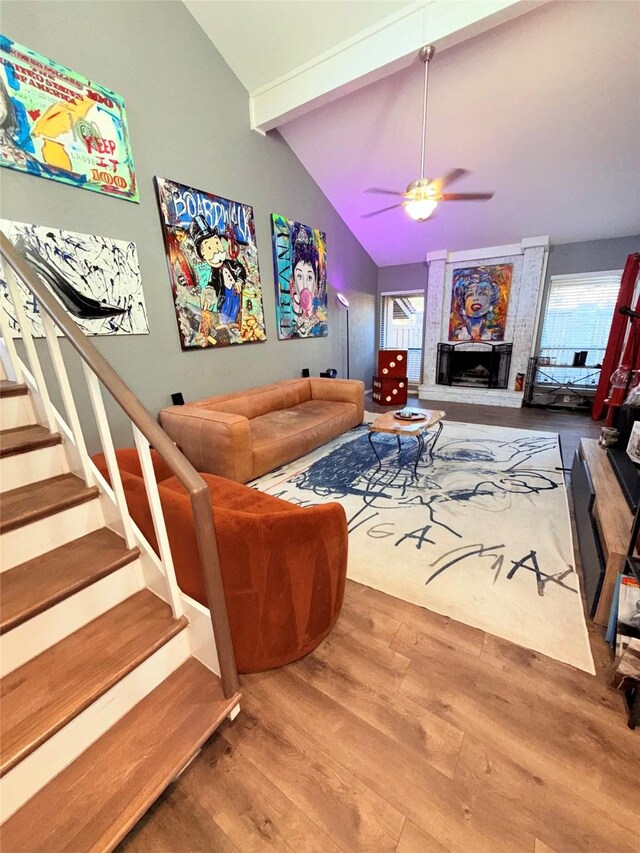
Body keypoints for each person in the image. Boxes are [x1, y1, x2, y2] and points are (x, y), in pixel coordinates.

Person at [189, 215, 246, 327]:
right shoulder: (215, 271)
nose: (216, 250)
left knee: (236, 312)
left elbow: (240, 269)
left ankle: (234, 325)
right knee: (225, 317)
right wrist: (210, 292)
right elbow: (213, 282)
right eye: (209, 248)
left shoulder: (230, 263)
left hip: (236, 294)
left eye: (216, 243)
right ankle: (228, 327)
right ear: (203, 255)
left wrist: (239, 280)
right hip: (225, 297)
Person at [451, 268, 502, 341]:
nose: (476, 299)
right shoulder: (456, 334)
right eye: (470, 294)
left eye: (483, 294)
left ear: (491, 301)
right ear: (463, 303)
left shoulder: (496, 334)